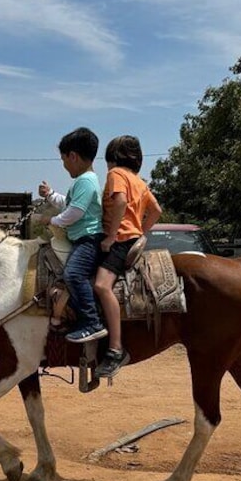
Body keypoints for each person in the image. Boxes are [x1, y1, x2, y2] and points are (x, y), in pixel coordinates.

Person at [93, 135, 162, 379]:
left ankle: (114, 348)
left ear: (111, 159)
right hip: (132, 239)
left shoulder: (116, 175)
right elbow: (156, 210)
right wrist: (140, 233)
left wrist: (111, 236)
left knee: (101, 286)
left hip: (120, 241)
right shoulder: (139, 181)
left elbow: (120, 201)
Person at [37, 127, 107, 343]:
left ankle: (91, 321)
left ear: (73, 156)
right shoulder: (83, 181)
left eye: (64, 159)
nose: (64, 165)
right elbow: (68, 204)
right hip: (82, 238)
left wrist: (52, 221)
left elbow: (75, 213)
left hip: (88, 239)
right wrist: (50, 195)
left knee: (74, 274)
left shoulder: (85, 181)